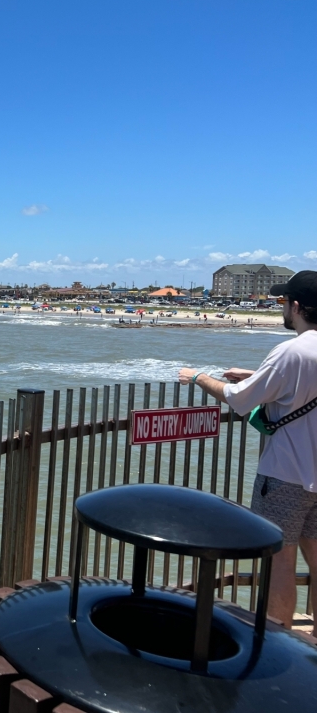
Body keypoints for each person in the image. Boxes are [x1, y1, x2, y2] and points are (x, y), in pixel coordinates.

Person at [178, 270, 317, 631]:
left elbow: (239, 400)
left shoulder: (292, 351)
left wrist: (197, 377)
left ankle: (278, 645)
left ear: (297, 306)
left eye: (285, 302)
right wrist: (258, 376)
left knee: (279, 562)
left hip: (286, 474)